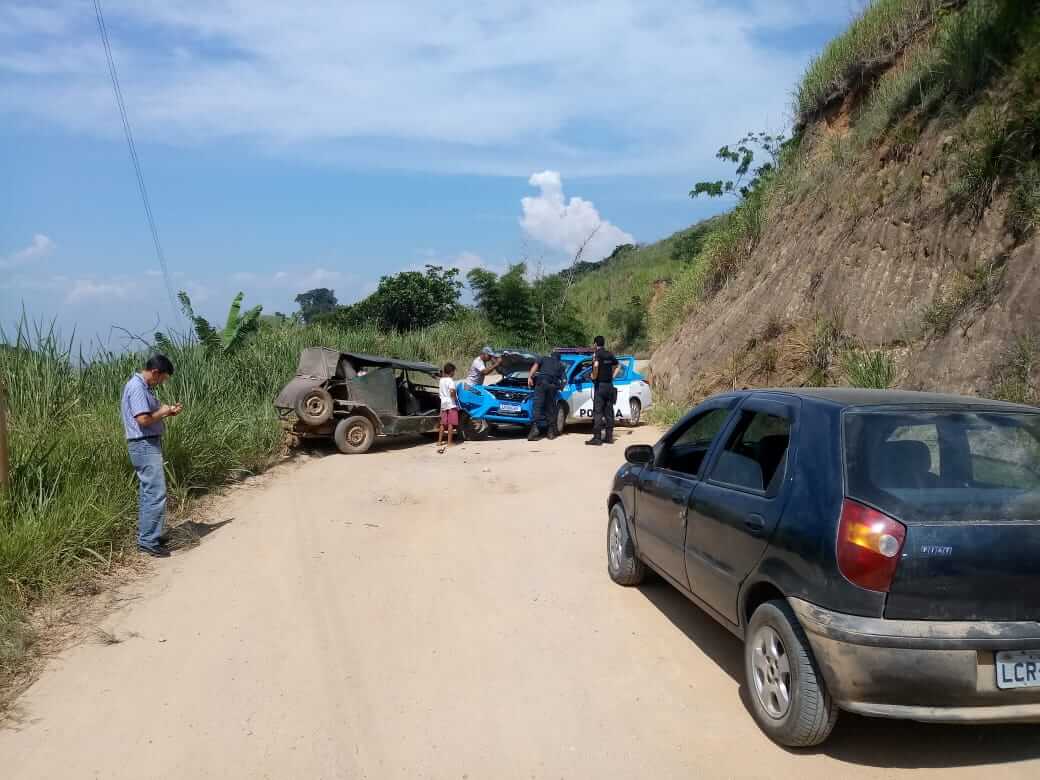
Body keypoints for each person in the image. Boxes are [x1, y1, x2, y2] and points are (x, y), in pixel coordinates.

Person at [121, 354, 183, 558]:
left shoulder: (143, 387)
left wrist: (168, 411)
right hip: (143, 444)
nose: (162, 382)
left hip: (146, 444)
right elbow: (143, 419)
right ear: (155, 373)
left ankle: (151, 535)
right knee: (156, 492)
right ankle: (148, 541)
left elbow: (148, 416)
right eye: (162, 378)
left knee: (149, 492)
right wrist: (163, 412)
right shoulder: (137, 387)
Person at [586, 336, 620, 446]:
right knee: (609, 412)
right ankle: (609, 437)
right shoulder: (610, 354)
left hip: (600, 386)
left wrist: (593, 376)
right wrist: (612, 377)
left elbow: (595, 366)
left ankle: (597, 438)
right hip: (609, 386)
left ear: (595, 344)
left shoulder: (596, 354)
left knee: (598, 412)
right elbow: (618, 365)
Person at [527, 351, 565, 441]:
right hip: (552, 386)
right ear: (559, 358)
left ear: (550, 356)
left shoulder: (544, 358)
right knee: (550, 408)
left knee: (537, 406)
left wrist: (530, 377)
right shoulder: (560, 365)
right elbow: (564, 380)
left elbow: (535, 367)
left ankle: (534, 430)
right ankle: (550, 432)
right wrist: (560, 387)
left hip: (541, 384)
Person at [436, 362, 459, 454]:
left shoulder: (441, 380)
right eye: (454, 371)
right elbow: (452, 392)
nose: (454, 373)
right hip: (451, 404)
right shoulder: (450, 381)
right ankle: (449, 443)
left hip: (443, 404)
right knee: (450, 424)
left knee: (442, 424)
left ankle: (439, 441)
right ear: (451, 372)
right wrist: (455, 399)